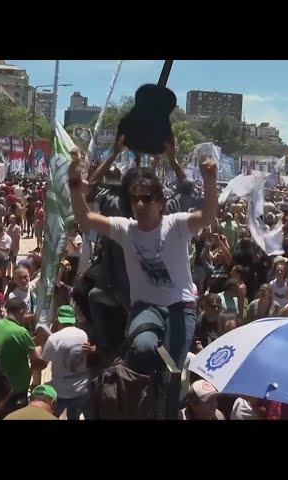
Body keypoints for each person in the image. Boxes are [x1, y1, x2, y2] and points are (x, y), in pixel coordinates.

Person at [68, 140, 218, 373]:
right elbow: (85, 218)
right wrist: (75, 186)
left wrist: (210, 180)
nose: (140, 203)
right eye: (135, 198)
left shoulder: (176, 224)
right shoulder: (125, 229)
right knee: (143, 347)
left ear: (160, 203)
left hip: (181, 308)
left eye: (147, 198)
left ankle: (165, 401)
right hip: (146, 308)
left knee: (172, 368)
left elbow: (207, 216)